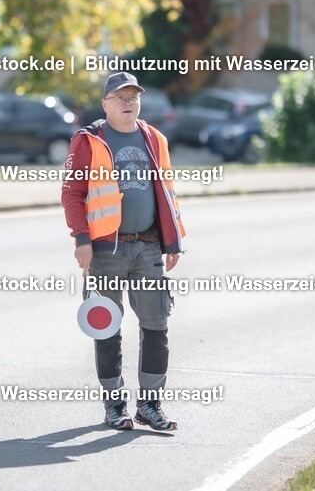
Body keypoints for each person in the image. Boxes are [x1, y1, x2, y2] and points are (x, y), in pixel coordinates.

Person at [61, 72, 186, 431]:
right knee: (106, 327)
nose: (128, 102)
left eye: (133, 96)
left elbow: (166, 191)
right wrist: (81, 240)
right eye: (120, 97)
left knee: (156, 324)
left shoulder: (154, 138)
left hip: (148, 246)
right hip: (105, 250)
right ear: (105, 104)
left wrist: (173, 241)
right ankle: (115, 406)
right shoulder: (88, 141)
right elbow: (72, 193)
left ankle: (150, 405)